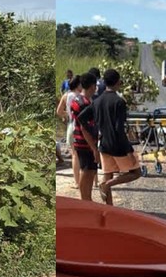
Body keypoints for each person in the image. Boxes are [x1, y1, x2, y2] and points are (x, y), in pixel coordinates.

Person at [93, 68, 141, 205]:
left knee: (108, 173)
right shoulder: (119, 102)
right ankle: (108, 184)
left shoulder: (97, 101)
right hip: (118, 145)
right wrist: (129, 150)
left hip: (104, 143)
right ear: (118, 82)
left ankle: (109, 209)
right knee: (136, 172)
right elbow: (119, 129)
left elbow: (82, 117)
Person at [69, 73, 100, 201]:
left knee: (86, 170)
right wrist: (94, 148)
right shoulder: (85, 103)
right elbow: (84, 127)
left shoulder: (76, 100)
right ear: (93, 86)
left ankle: (86, 198)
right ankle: (86, 199)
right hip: (85, 142)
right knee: (88, 172)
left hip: (78, 139)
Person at [56, 76, 82, 188]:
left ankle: (77, 182)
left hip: (71, 126)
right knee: (84, 155)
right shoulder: (81, 96)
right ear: (78, 85)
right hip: (81, 127)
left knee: (74, 155)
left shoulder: (66, 96)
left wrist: (67, 116)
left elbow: (59, 111)